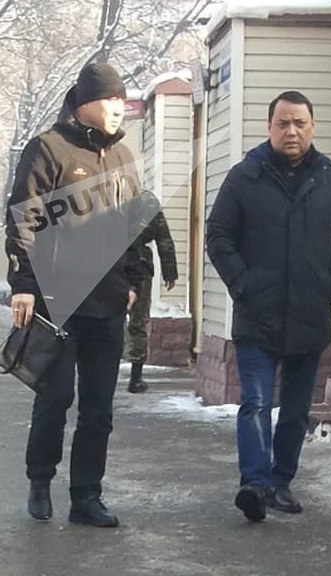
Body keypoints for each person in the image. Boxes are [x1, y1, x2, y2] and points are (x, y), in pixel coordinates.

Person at [207, 90, 331, 522]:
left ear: (312, 126)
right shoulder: (245, 176)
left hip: (310, 313)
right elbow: (219, 235)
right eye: (283, 123)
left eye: (299, 123)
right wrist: (243, 283)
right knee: (256, 402)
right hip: (258, 313)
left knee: (295, 411)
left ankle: (280, 482)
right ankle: (254, 486)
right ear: (269, 127)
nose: (291, 131)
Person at [5, 62, 146, 528]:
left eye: (122, 100)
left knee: (98, 410)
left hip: (108, 305)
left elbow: (134, 225)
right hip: (57, 302)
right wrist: (24, 286)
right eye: (110, 99)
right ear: (85, 101)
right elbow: (23, 218)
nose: (118, 108)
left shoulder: (123, 157)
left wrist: (132, 282)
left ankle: (87, 496)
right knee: (56, 399)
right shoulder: (49, 148)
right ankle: (40, 480)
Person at [125, 209, 178, 393]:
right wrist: (169, 272)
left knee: (108, 320)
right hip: (140, 268)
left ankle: (102, 373)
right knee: (138, 322)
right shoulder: (148, 203)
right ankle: (135, 377)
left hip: (111, 268)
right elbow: (164, 240)